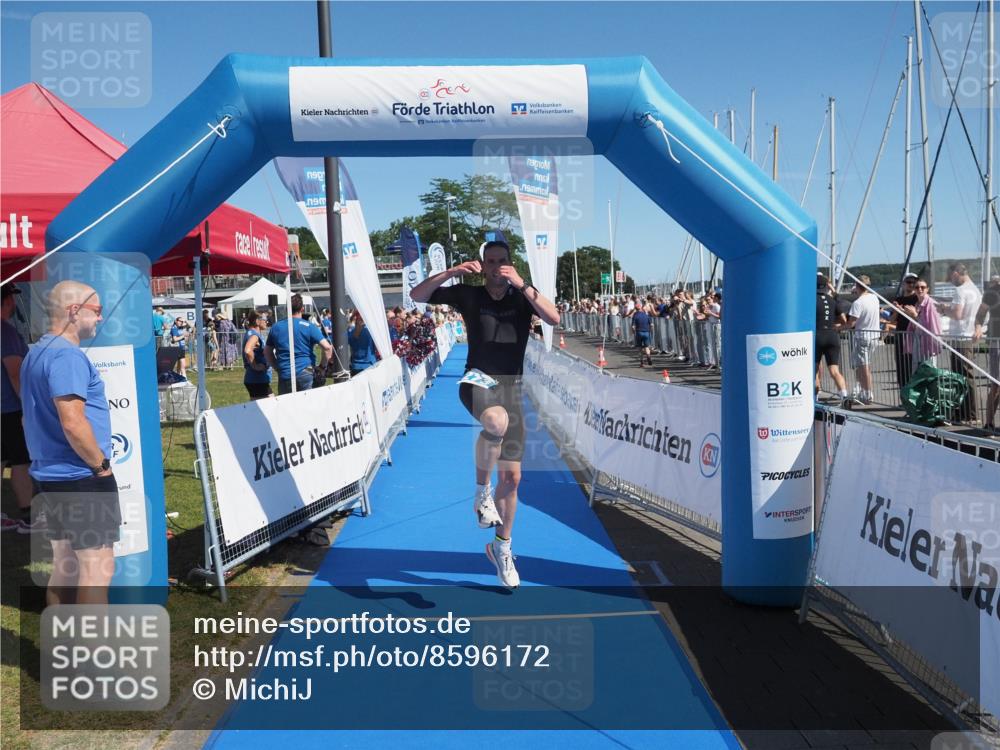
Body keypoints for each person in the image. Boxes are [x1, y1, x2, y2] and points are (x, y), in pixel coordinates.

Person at [410, 231, 560, 589]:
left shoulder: (524, 294)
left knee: (514, 478)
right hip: (477, 378)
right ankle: (481, 493)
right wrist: (450, 273)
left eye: (501, 261)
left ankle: (501, 548)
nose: (496, 268)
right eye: (489, 262)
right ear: (482, 267)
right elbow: (417, 295)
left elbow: (553, 318)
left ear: (510, 264)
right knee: (494, 420)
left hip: (512, 387)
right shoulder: (469, 294)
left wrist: (523, 285)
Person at [20, 281, 119, 605]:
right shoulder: (67, 357)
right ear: (74, 311)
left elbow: (28, 417)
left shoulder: (35, 353)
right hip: (79, 477)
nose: (100, 319)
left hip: (49, 476)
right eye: (97, 311)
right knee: (97, 569)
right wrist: (100, 466)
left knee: (65, 566)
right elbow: (73, 422)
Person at [1, 284, 38, 533]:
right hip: (9, 409)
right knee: (20, 461)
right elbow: (15, 372)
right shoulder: (5, 332)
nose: (15, 304)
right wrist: (28, 407)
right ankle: (29, 516)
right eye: (12, 298)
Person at [937, 263, 983, 423]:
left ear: (956, 273)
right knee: (965, 375)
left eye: (950, 276)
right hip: (969, 336)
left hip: (961, 337)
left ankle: (969, 414)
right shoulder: (975, 290)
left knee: (961, 376)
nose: (950, 280)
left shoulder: (960, 290)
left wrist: (943, 309)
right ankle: (966, 412)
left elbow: (957, 314)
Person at [264, 294, 333, 394]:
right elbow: (327, 348)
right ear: (302, 308)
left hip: (285, 373)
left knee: (287, 407)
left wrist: (277, 367)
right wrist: (322, 367)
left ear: (286, 308)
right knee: (309, 406)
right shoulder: (309, 326)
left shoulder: (276, 327)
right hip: (306, 372)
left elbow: (267, 352)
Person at [845, 275, 880, 405]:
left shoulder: (858, 303)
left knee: (863, 367)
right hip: (874, 336)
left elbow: (851, 324)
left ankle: (867, 393)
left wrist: (839, 327)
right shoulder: (874, 298)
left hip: (863, 337)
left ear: (856, 285)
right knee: (866, 366)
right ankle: (863, 390)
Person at [815, 274, 849, 404]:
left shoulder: (812, 299)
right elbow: (843, 320)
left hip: (817, 335)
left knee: (815, 370)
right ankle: (844, 396)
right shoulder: (832, 300)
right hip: (832, 335)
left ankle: (814, 399)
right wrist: (833, 324)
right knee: (834, 370)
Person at [974, 276, 1000, 431]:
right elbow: (980, 314)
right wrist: (978, 328)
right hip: (996, 341)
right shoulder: (992, 292)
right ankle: (989, 423)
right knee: (996, 384)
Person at [888, 273, 920, 390]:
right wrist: (896, 310)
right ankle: (904, 392)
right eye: (908, 282)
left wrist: (903, 310)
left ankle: (914, 393)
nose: (911, 285)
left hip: (913, 335)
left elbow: (917, 317)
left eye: (913, 282)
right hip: (901, 335)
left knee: (913, 364)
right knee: (901, 365)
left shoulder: (917, 298)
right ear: (903, 284)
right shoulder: (899, 299)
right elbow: (891, 319)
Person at [242, 311, 272, 400]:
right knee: (269, 406)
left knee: (257, 408)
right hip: (257, 379)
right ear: (257, 321)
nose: (267, 322)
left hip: (255, 379)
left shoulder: (251, 333)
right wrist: (255, 366)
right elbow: (247, 351)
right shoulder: (254, 335)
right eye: (265, 319)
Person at [348, 311, 378, 377]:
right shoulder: (371, 331)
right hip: (369, 365)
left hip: (356, 366)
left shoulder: (351, 331)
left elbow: (350, 346)